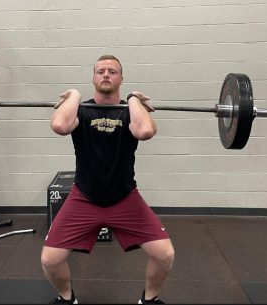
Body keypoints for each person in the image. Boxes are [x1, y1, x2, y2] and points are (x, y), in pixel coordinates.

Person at [41, 55, 175, 304]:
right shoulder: (81, 111)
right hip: (84, 198)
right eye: (100, 71)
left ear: (121, 78)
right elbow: (60, 125)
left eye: (112, 71)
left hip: (125, 199)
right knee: (50, 259)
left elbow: (144, 131)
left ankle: (149, 299)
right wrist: (74, 96)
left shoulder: (130, 112)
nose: (105, 75)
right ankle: (66, 298)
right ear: (93, 77)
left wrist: (134, 99)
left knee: (165, 254)